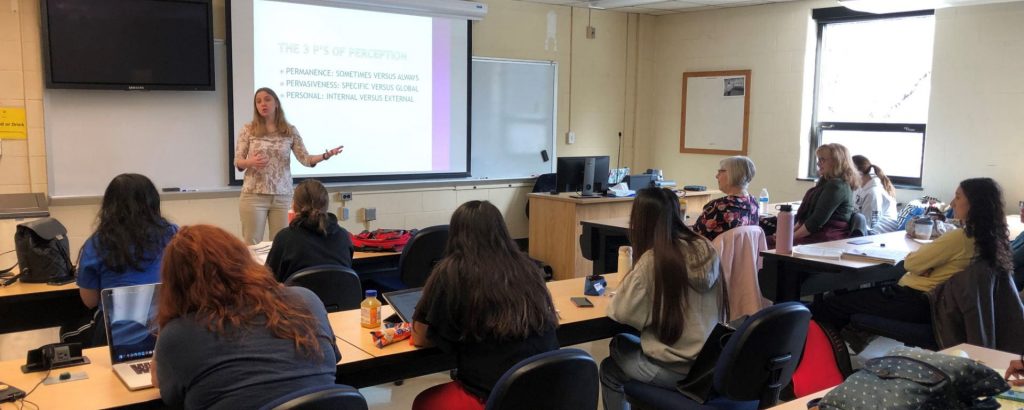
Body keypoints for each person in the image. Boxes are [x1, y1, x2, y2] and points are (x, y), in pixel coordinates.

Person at [812, 178, 1013, 353]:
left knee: (828, 305)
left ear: (975, 204)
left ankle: (827, 368)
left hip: (915, 301)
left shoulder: (959, 238)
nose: (952, 203)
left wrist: (927, 265)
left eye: (958, 197)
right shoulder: (994, 241)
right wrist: (930, 266)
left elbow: (911, 262)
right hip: (940, 308)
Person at [152, 225, 340, 409]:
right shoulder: (306, 299)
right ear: (243, 260)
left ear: (176, 284)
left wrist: (166, 324)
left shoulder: (179, 335)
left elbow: (166, 390)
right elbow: (334, 359)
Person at [411, 200, 559, 410]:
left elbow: (421, 338)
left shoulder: (451, 272)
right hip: (550, 392)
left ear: (455, 235)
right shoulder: (527, 266)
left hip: (495, 397)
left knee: (425, 402)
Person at [600, 188, 726, 410]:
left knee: (615, 354)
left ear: (640, 220)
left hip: (675, 369)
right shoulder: (705, 247)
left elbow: (621, 313)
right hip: (708, 364)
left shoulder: (653, 259)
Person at [71, 173, 178, 344]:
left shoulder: (97, 243)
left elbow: (89, 301)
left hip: (116, 339)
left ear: (109, 206)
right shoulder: (175, 235)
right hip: (167, 336)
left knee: (68, 332)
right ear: (153, 203)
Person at [234, 87, 344, 244]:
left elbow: (305, 159)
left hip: (282, 196)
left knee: (283, 242)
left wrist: (325, 156)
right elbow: (238, 161)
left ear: (276, 103)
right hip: (254, 195)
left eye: (267, 99)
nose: (263, 104)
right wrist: (250, 162)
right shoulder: (248, 129)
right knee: (252, 243)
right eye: (258, 101)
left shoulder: (289, 130)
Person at [265, 179, 354, 282]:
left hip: (297, 298)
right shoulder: (343, 236)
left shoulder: (285, 238)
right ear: (326, 205)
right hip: (339, 297)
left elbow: (269, 281)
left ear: (294, 206)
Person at [786, 143, 858, 245]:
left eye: (822, 160)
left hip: (827, 238)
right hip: (818, 234)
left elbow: (815, 222)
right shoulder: (826, 181)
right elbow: (806, 218)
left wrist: (788, 239)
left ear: (836, 162)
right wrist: (787, 234)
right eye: (818, 160)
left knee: (767, 244)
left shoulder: (837, 186)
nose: (818, 164)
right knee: (769, 240)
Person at [692, 156, 759, 241]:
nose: (716, 176)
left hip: (716, 253)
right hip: (744, 254)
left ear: (733, 174)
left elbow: (695, 236)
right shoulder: (753, 203)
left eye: (720, 172)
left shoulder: (719, 206)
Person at [852, 155, 899, 234]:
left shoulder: (873, 193)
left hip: (877, 235)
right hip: (867, 232)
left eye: (848, 172)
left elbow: (867, 226)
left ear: (858, 173)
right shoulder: (860, 187)